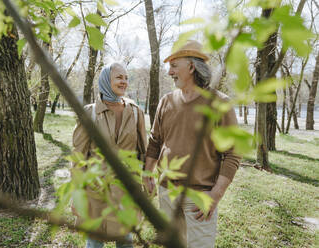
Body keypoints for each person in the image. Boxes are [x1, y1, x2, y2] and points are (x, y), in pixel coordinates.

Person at [143, 40, 241, 248]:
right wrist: (148, 173)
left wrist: (216, 194)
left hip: (199, 197)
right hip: (167, 192)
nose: (169, 72)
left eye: (174, 66)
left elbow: (232, 154)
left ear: (191, 66)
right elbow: (155, 141)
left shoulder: (220, 104)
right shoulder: (166, 101)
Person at [72, 62, 147, 248]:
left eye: (126, 78)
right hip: (96, 193)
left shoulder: (136, 112)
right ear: (106, 80)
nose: (124, 82)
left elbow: (143, 153)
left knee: (126, 240)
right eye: (119, 77)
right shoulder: (89, 113)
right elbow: (78, 159)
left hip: (126, 193)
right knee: (95, 242)